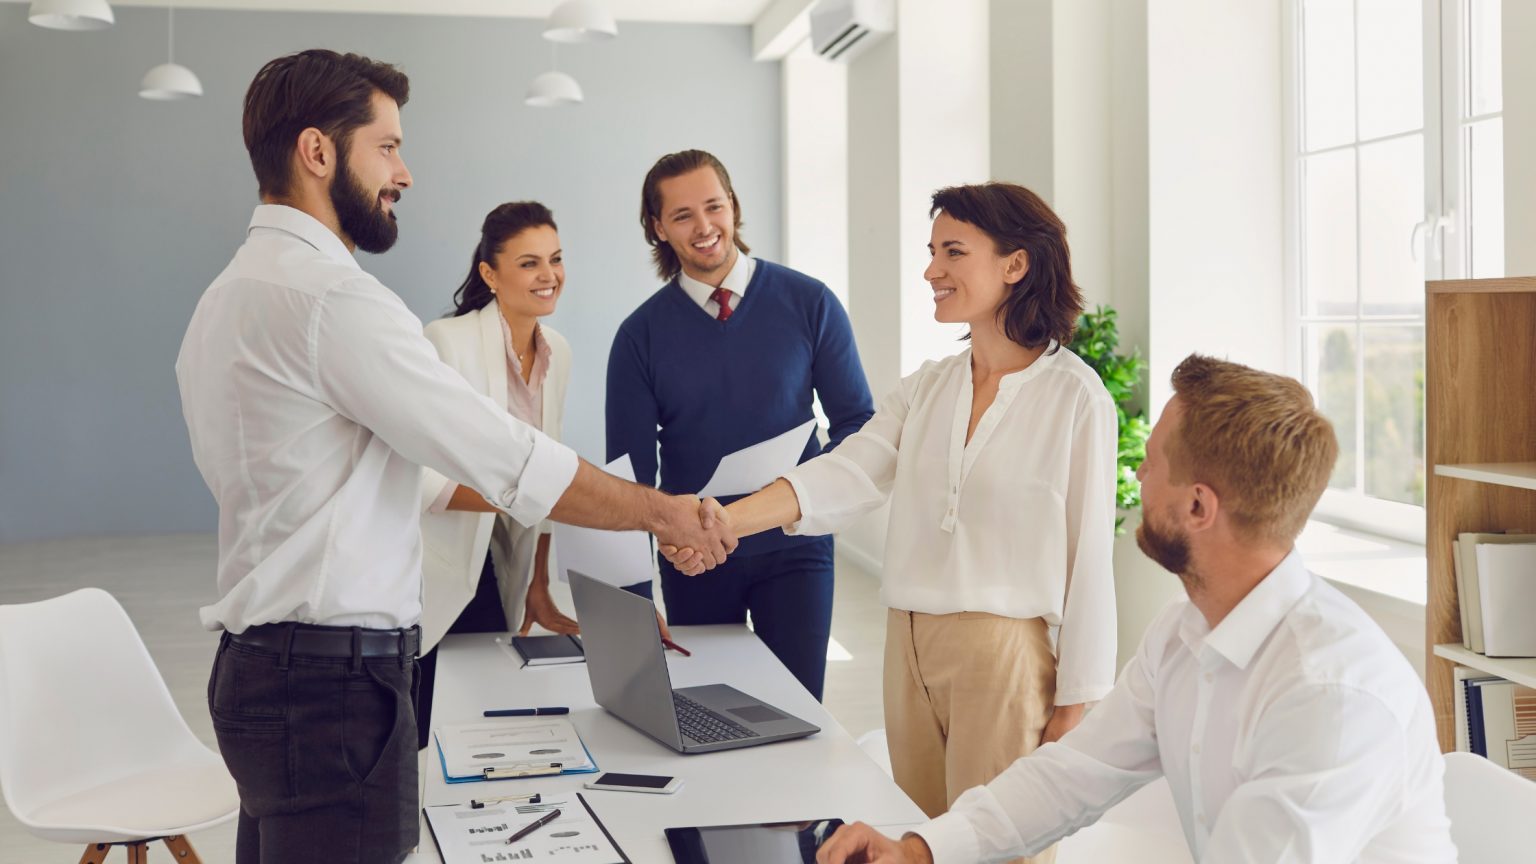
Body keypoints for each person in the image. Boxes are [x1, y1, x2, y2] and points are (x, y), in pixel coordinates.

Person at [176, 50, 732, 864]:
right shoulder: (336, 302)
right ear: (318, 152)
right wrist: (664, 513)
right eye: (388, 146)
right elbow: (505, 459)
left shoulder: (227, 297)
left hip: (261, 672)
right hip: (332, 688)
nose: (405, 171)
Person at [814, 355, 1458, 864]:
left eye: (1151, 463)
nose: (1138, 476)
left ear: (1199, 508)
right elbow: (1072, 775)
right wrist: (920, 849)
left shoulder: (1330, 698)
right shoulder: (1184, 633)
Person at [680, 183, 1117, 862]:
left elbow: (1089, 561)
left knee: (999, 849)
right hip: (907, 644)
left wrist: (1075, 708)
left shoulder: (1076, 398)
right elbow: (845, 471)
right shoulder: (932, 384)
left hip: (1001, 656)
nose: (931, 270)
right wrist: (724, 521)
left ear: (1015, 265)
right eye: (931, 251)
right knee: (920, 838)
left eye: (953, 252)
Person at [606, 149, 875, 701]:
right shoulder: (640, 338)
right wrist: (634, 598)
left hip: (796, 548)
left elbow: (856, 425)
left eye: (714, 206)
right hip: (695, 558)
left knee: (799, 713)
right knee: (710, 710)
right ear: (658, 228)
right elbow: (629, 480)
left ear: (734, 207)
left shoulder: (810, 303)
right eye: (682, 216)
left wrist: (821, 503)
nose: (704, 227)